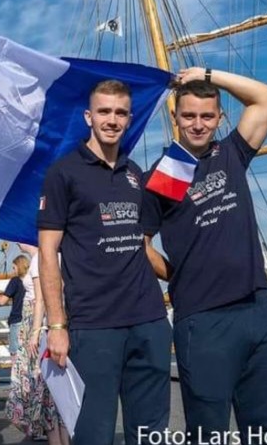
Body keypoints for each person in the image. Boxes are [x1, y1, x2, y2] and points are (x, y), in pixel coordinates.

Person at [141, 67, 267, 443]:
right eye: (188, 115)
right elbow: (142, 246)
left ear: (219, 117)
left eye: (207, 116)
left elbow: (266, 96)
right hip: (203, 319)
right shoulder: (164, 174)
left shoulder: (232, 154)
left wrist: (208, 74)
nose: (198, 124)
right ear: (174, 118)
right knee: (208, 433)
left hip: (258, 309)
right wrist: (176, 275)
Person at [39, 79, 171, 445]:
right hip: (94, 326)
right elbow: (48, 251)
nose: (112, 119)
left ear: (129, 119)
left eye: (120, 113)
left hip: (149, 321)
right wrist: (56, 325)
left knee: (150, 433)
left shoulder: (135, 175)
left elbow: (142, 246)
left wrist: (182, 280)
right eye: (104, 111)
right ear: (89, 116)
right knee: (93, 434)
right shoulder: (63, 174)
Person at [5, 247, 67, 444]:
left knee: (43, 388)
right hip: (57, 321)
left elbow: (40, 299)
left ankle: (53, 438)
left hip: (38, 325)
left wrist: (34, 332)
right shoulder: (59, 255)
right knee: (58, 392)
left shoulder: (39, 258)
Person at [0, 254, 30, 359]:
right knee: (27, 353)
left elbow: (2, 301)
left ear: (19, 267)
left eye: (14, 268)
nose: (13, 271)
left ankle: (17, 374)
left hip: (16, 321)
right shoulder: (30, 281)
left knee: (15, 353)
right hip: (28, 320)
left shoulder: (15, 281)